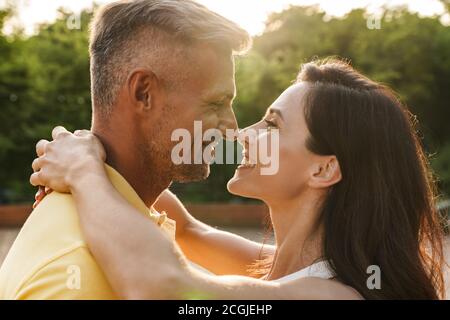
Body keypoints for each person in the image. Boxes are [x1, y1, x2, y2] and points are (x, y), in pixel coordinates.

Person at [30, 59, 446, 299]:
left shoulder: (336, 295)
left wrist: (84, 172)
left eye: (270, 124)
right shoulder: (285, 268)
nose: (242, 134)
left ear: (323, 169)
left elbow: (163, 288)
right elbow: (186, 228)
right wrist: (92, 149)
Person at [0, 0, 251, 299]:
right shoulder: (80, 275)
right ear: (143, 92)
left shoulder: (129, 210)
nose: (232, 127)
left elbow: (190, 232)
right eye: (215, 103)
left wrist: (86, 172)